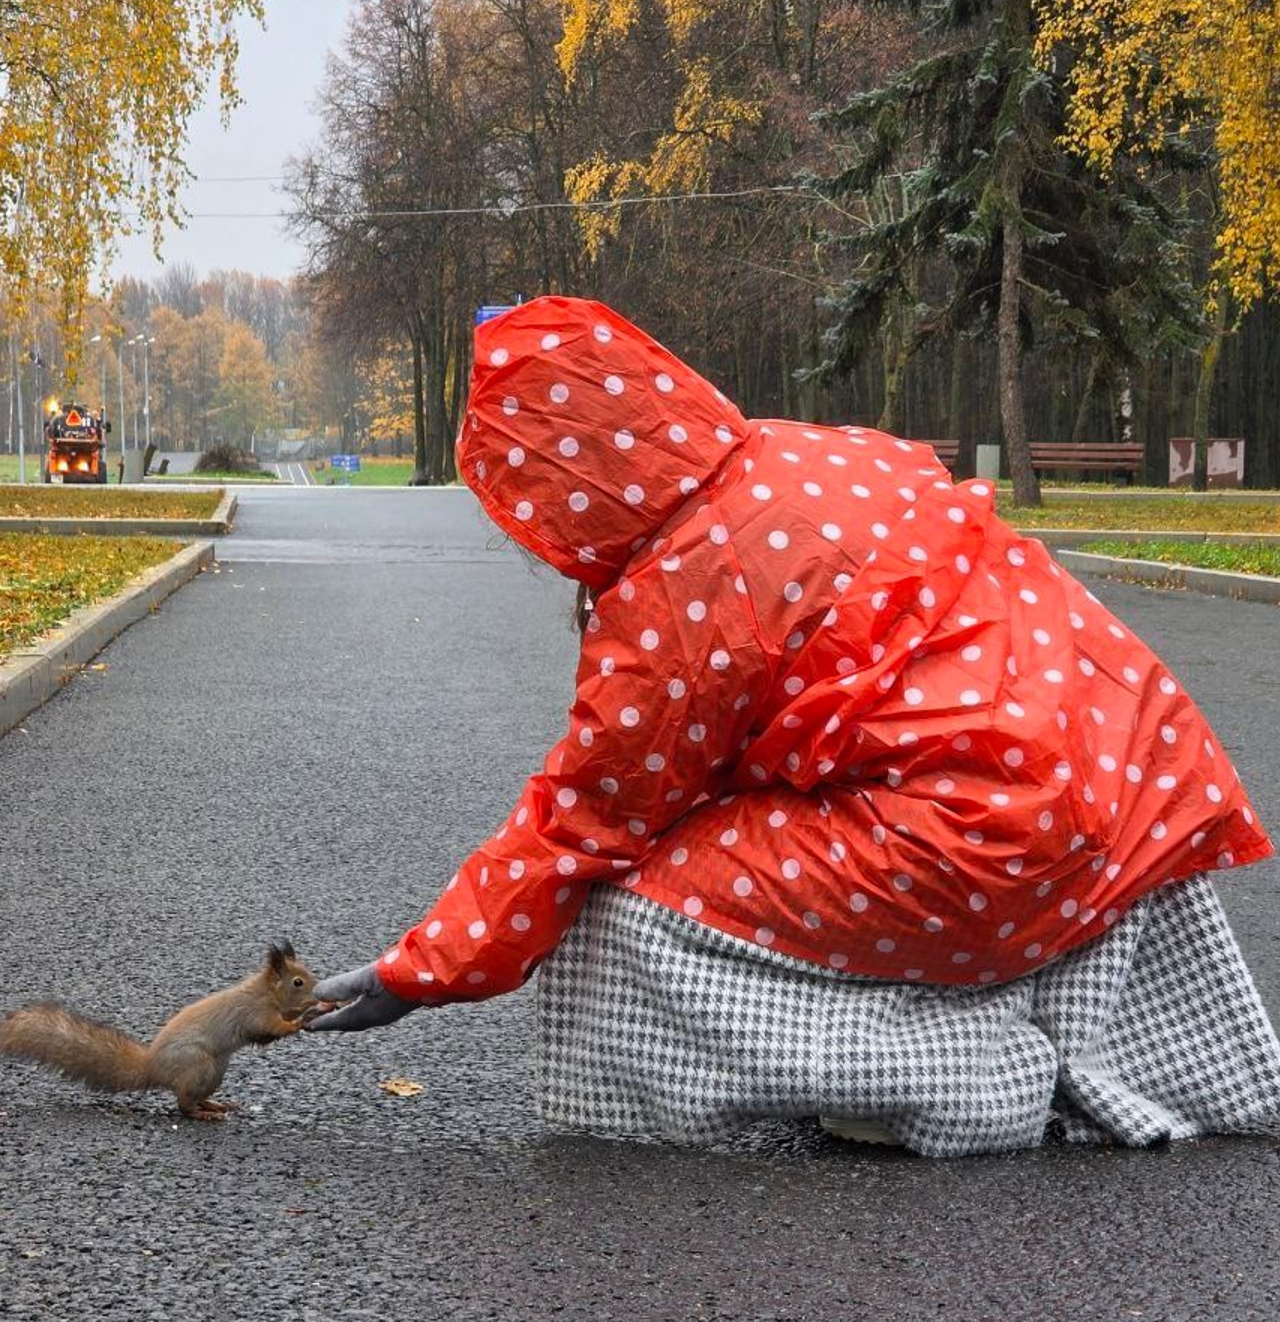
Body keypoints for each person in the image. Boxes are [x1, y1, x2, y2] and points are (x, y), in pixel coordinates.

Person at [309, 296, 1280, 1156]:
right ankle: (1006, 1024)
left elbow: (581, 823)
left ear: (549, 491)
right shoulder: (809, 450)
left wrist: (422, 969)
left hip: (979, 833)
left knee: (642, 901)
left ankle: (956, 1073)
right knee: (785, 830)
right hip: (1116, 773)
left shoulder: (666, 605)